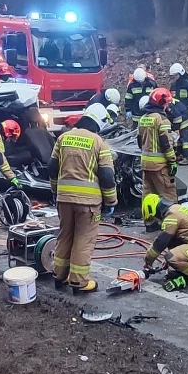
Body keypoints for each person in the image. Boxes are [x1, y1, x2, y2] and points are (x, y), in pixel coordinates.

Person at [48, 103, 117, 293]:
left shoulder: (63, 138)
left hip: (64, 200)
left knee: (65, 236)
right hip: (88, 203)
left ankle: (59, 275)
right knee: (83, 239)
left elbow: (52, 168)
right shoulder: (99, 142)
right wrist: (111, 201)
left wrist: (55, 191)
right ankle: (79, 282)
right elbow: (107, 176)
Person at [141, 194, 188, 291]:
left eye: (154, 218)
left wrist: (148, 260)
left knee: (171, 257)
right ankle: (186, 270)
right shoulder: (175, 209)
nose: (158, 221)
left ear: (155, 211)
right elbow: (171, 241)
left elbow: (160, 243)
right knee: (172, 245)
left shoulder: (171, 217)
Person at [137, 88, 177, 202]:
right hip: (160, 165)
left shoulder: (143, 119)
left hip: (145, 164)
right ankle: (171, 214)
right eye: (167, 103)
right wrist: (172, 161)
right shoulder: (162, 120)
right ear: (161, 102)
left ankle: (148, 215)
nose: (167, 106)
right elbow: (166, 144)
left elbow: (139, 142)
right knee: (168, 195)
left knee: (148, 196)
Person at [167, 96, 188, 163]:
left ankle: (187, 157)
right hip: (181, 119)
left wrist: (176, 129)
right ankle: (180, 154)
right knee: (179, 139)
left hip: (183, 121)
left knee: (185, 141)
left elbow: (177, 118)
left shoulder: (168, 105)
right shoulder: (167, 102)